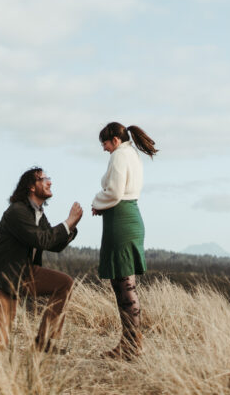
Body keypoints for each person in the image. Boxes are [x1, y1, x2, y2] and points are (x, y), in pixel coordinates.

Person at [0, 167, 83, 351]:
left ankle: (44, 342)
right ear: (31, 186)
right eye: (44, 179)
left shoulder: (37, 213)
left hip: (25, 275)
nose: (49, 182)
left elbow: (52, 244)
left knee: (64, 284)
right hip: (3, 282)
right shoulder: (17, 212)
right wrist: (67, 223)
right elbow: (41, 239)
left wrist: (72, 228)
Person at [91, 122, 158, 359]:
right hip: (127, 218)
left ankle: (130, 347)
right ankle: (130, 344)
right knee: (125, 283)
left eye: (105, 143)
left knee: (124, 285)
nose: (104, 149)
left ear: (115, 141)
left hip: (121, 221)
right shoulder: (131, 154)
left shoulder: (120, 156)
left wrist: (96, 202)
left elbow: (115, 193)